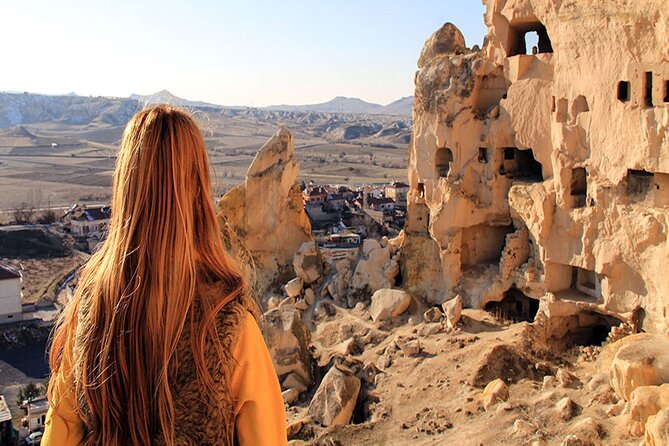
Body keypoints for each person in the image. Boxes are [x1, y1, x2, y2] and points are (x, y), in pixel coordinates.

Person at [42, 105, 288, 446]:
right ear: (198, 192)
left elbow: (61, 430)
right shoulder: (228, 327)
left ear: (125, 188)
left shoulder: (89, 313)